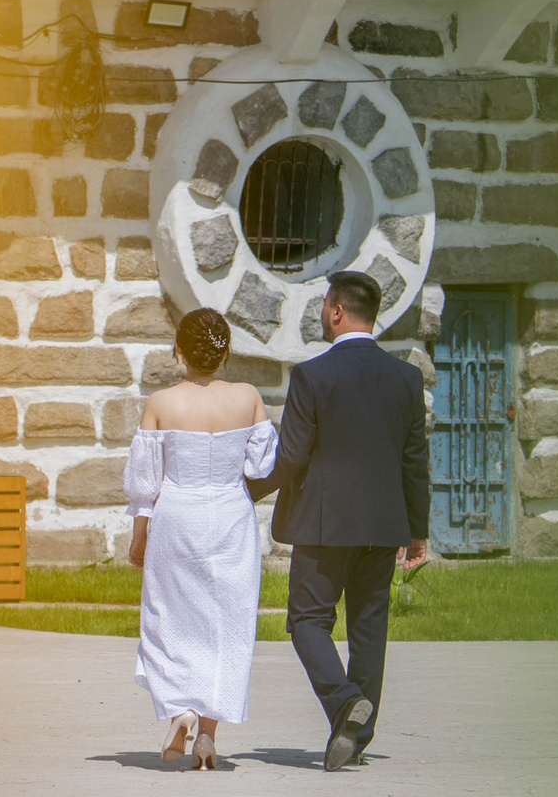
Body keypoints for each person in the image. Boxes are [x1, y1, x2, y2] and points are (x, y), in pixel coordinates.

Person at [263, 269, 430, 771]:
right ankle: (356, 736)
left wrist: (245, 490)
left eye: (323, 306)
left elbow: (291, 457)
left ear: (336, 311)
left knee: (307, 621)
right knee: (368, 628)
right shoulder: (406, 378)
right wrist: (418, 530)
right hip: (384, 524)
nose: (322, 314)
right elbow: (413, 461)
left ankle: (342, 703)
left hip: (324, 523)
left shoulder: (312, 376)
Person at [125, 308, 280, 770]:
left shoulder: (160, 402)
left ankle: (181, 710)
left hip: (177, 516)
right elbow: (261, 466)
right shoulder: (248, 397)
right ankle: (207, 736)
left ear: (178, 350)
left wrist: (139, 539)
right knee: (226, 624)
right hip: (230, 518)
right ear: (226, 351)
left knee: (169, 617)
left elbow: (145, 483)